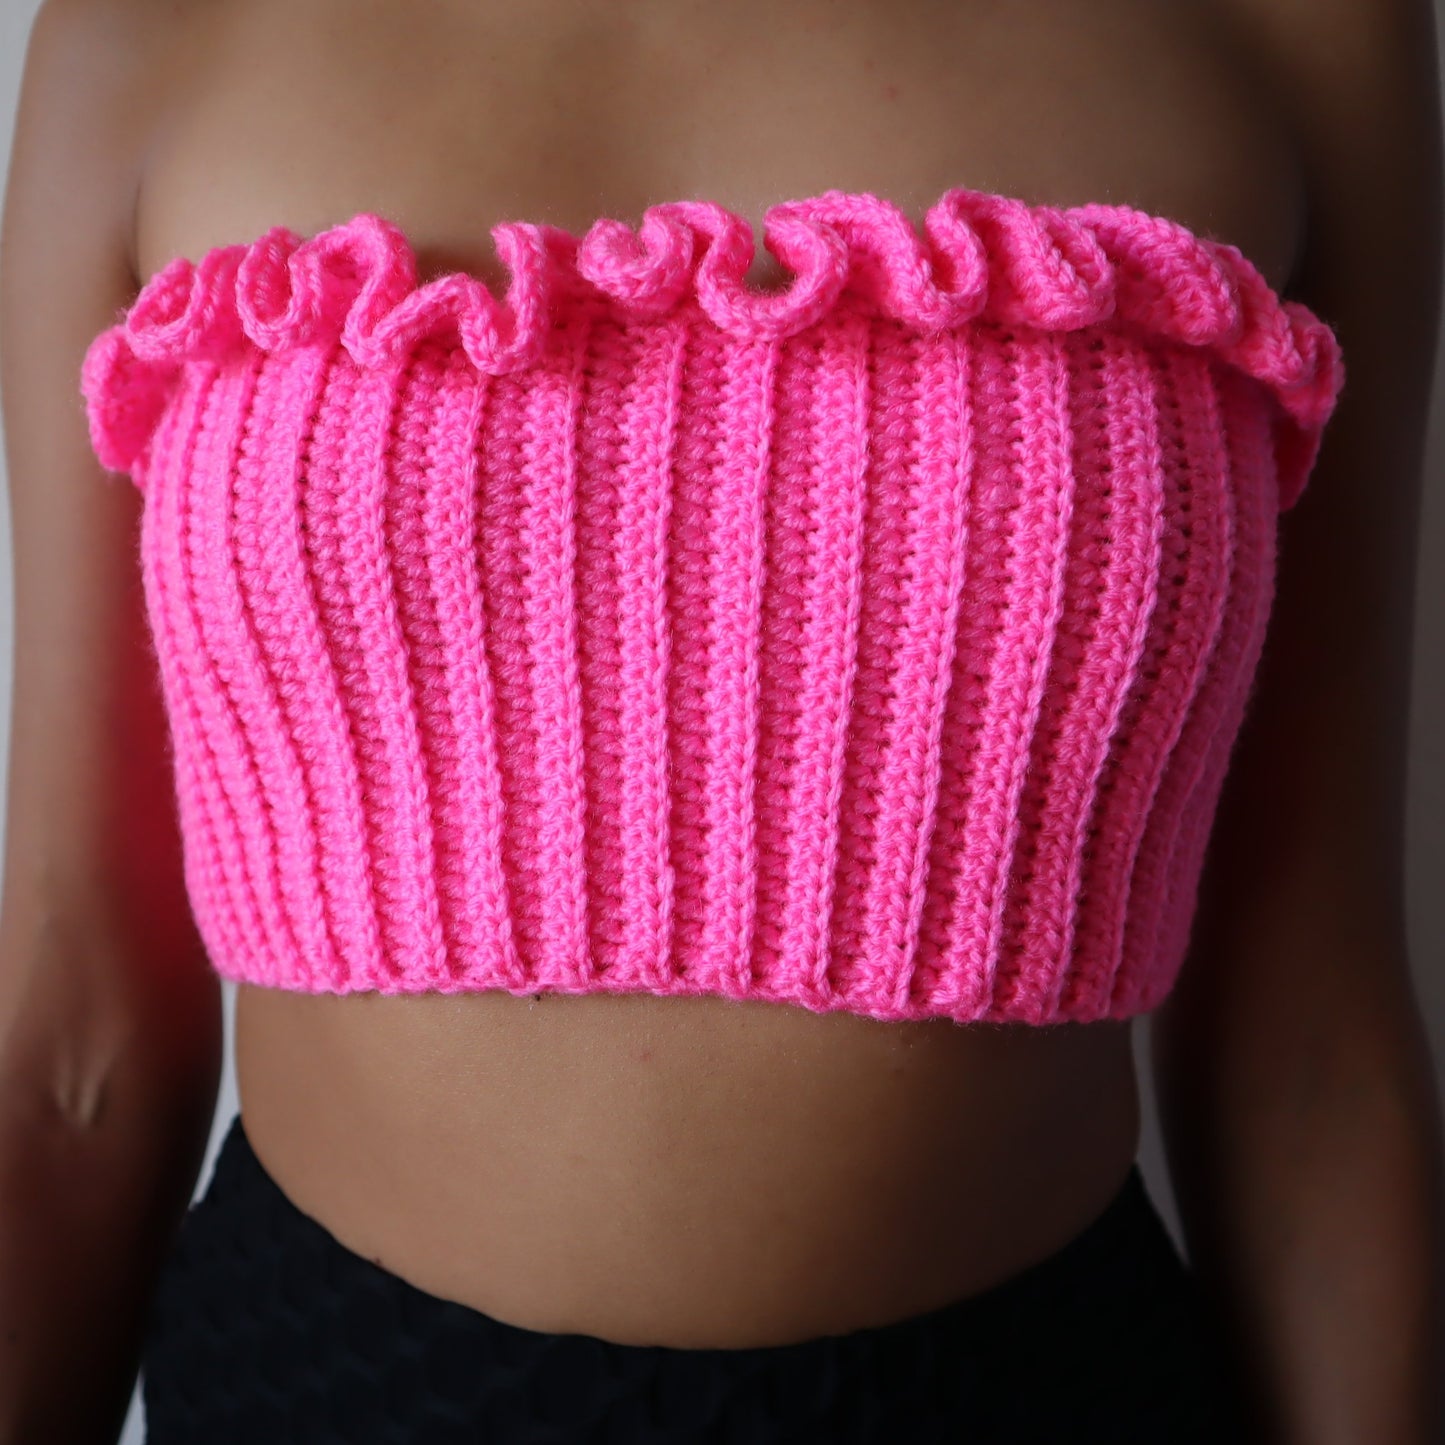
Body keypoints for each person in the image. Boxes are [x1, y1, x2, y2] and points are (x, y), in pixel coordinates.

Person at [1, 0, 1441, 1440]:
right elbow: (75, 1039)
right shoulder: (148, 30)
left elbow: (1311, 1047)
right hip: (328, 1389)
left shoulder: (1307, 25)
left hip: (1029, 1392)